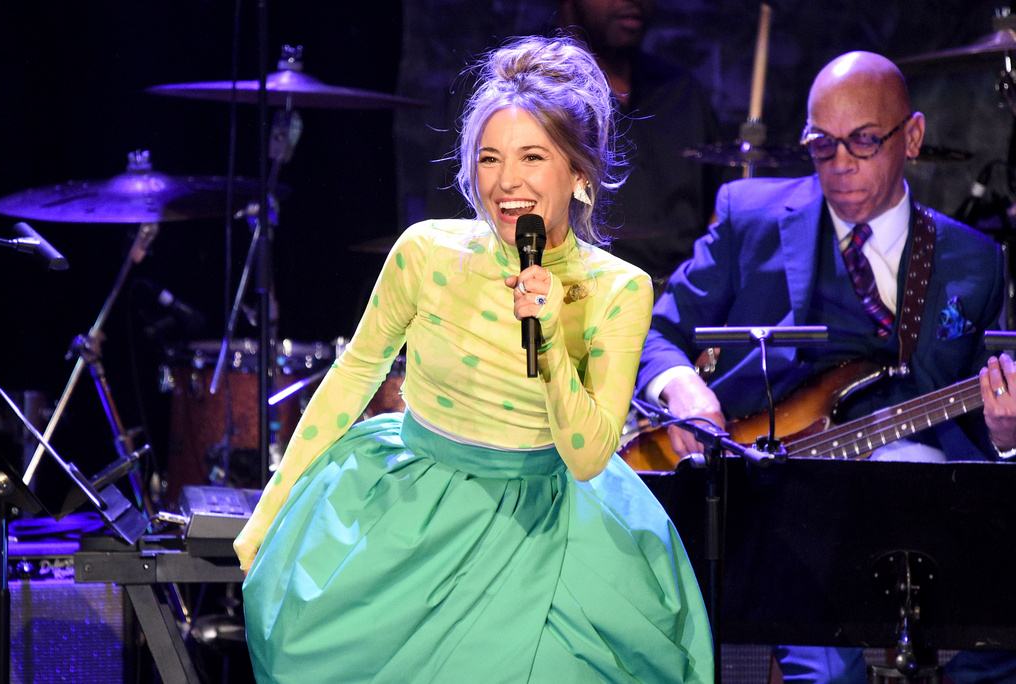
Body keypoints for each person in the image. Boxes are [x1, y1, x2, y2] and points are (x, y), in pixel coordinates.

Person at [234, 35, 713, 683]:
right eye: (489, 158)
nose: (506, 182)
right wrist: (269, 511)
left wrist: (549, 339)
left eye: (532, 157)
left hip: (549, 521)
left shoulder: (618, 289)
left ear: (579, 174)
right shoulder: (426, 252)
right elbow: (353, 376)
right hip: (412, 510)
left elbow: (587, 457)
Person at [635, 51, 1016, 683]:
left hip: (921, 504)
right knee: (825, 672)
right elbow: (656, 331)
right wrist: (684, 391)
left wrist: (1006, 436)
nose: (840, 164)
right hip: (778, 502)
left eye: (863, 141)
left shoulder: (972, 259)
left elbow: (985, 417)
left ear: (912, 137)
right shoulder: (749, 217)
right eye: (821, 144)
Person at [555, 0, 730, 286]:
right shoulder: (540, 95)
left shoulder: (681, 91)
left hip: (682, 295)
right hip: (583, 292)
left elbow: (723, 197)